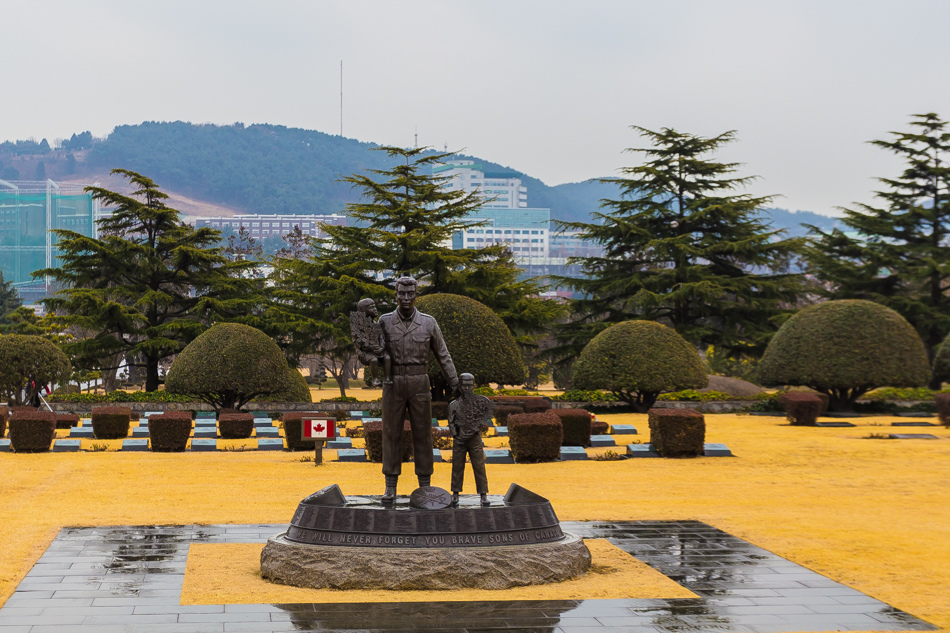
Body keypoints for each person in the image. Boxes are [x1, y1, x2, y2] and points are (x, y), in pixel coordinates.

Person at [377, 276, 458, 502]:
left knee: (423, 435)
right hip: (392, 383)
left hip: (419, 382)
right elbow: (372, 353)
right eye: (401, 293)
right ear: (396, 294)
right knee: (391, 434)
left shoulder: (428, 323)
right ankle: (390, 486)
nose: (405, 298)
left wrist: (456, 384)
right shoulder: (383, 322)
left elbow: (443, 355)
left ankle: (425, 486)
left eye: (410, 293)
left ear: (416, 295)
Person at [448, 373, 493, 507]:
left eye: (470, 385)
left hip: (475, 439)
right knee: (457, 467)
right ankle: (455, 493)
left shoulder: (481, 401)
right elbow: (450, 422)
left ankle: (483, 494)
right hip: (459, 440)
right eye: (464, 385)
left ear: (474, 386)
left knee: (479, 467)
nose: (467, 388)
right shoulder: (454, 405)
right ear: (460, 386)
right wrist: (456, 435)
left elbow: (488, 412)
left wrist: (477, 428)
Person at [352, 298, 390, 387]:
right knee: (373, 360)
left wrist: (381, 347)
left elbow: (382, 337)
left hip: (379, 349)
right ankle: (375, 379)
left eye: (374, 306)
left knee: (387, 358)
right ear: (363, 311)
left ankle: (387, 378)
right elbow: (359, 342)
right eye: (371, 307)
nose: (375, 309)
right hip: (365, 352)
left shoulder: (376, 325)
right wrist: (371, 347)